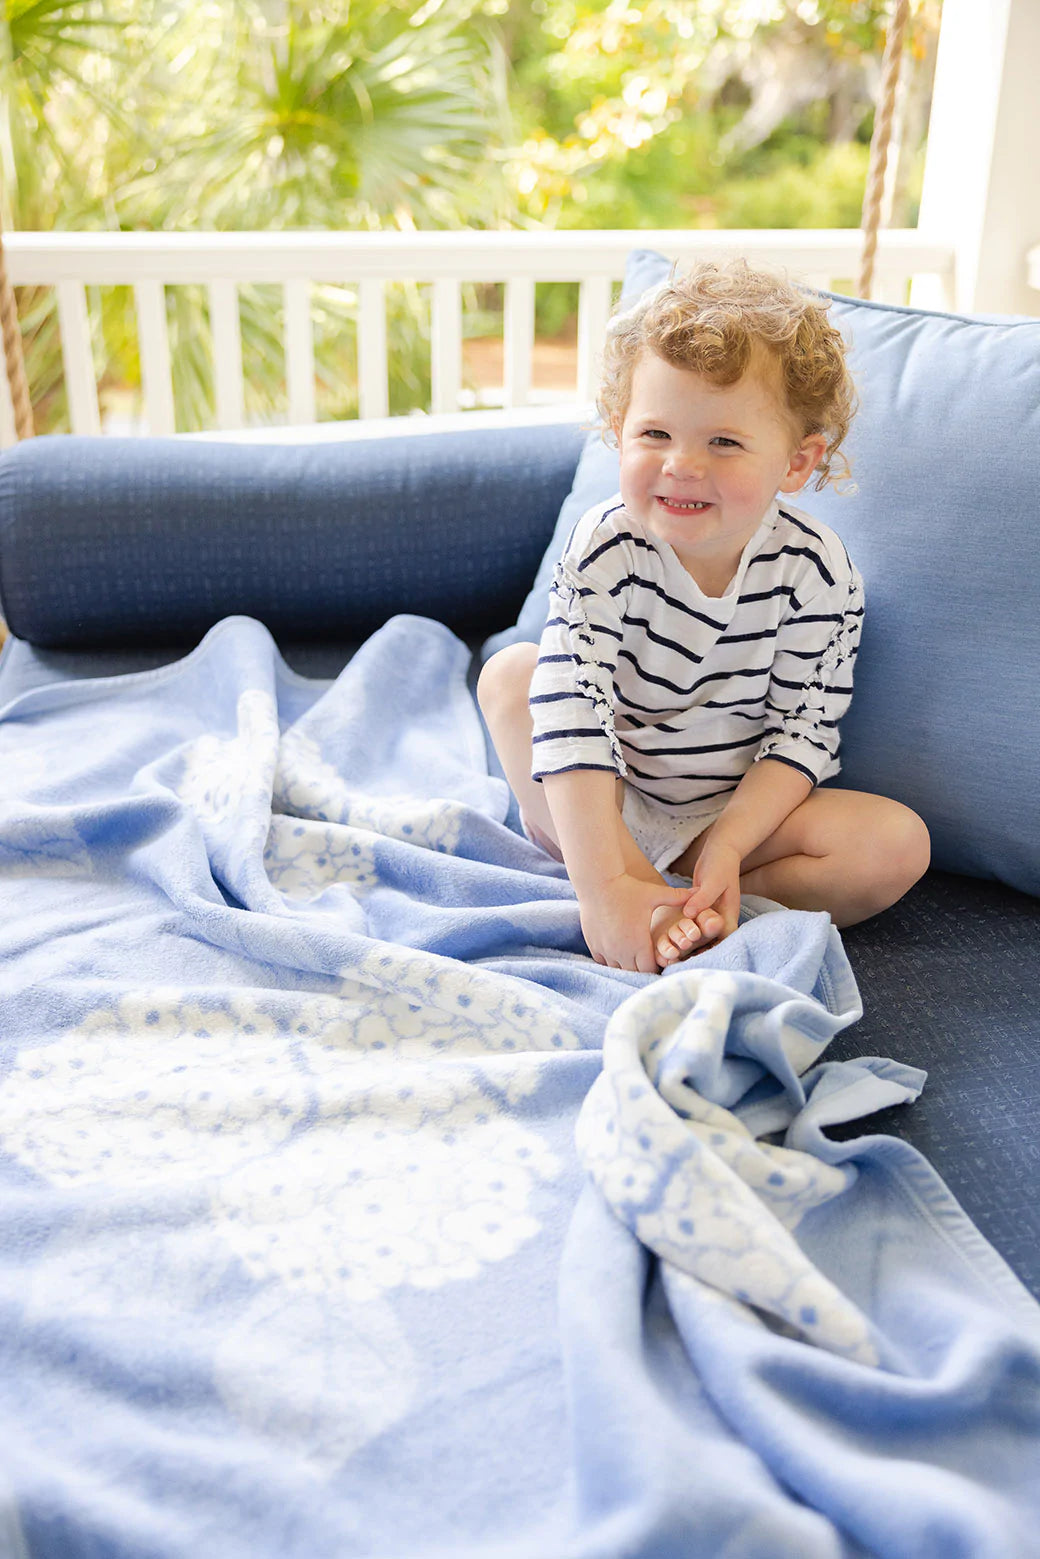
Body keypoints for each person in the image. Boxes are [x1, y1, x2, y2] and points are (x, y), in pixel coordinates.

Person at [478, 259, 930, 975]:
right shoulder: (608, 545)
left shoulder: (818, 572)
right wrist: (603, 887)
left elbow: (801, 736)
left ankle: (693, 906)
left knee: (896, 843)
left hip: (728, 814)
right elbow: (572, 707)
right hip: (601, 797)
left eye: (723, 441)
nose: (682, 465)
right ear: (619, 431)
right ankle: (623, 891)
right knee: (511, 678)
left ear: (797, 462)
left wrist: (729, 849)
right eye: (654, 434)